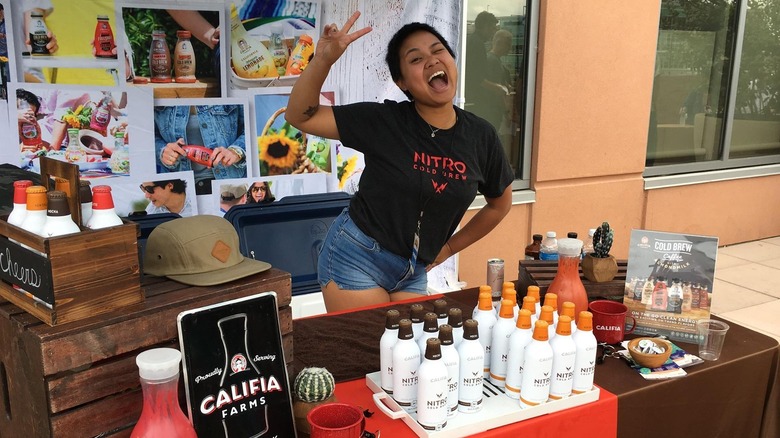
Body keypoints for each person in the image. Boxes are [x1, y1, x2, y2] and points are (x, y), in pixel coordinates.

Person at [285, 12, 513, 312]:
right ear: (402, 82)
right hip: (357, 256)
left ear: (452, 61)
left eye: (437, 50)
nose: (431, 61)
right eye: (416, 59)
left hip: (413, 271)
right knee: (370, 350)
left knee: (410, 354)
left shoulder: (481, 136)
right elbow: (301, 115)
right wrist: (323, 60)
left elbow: (500, 204)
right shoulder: (385, 121)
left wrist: (448, 249)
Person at [154, 104, 247, 195]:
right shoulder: (160, 93)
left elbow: (251, 127)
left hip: (231, 185)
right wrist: (162, 152)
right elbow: (147, 138)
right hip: (180, 191)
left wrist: (236, 151)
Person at [465, 11, 502, 122]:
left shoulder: (472, 41)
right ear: (485, 27)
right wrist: (498, 88)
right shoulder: (477, 44)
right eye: (492, 28)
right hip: (474, 102)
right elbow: (476, 78)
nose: (494, 32)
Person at [484, 29, 513, 137]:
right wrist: (507, 112)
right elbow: (498, 90)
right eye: (508, 44)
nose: (510, 48)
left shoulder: (494, 60)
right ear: (499, 43)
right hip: (493, 110)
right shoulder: (493, 61)